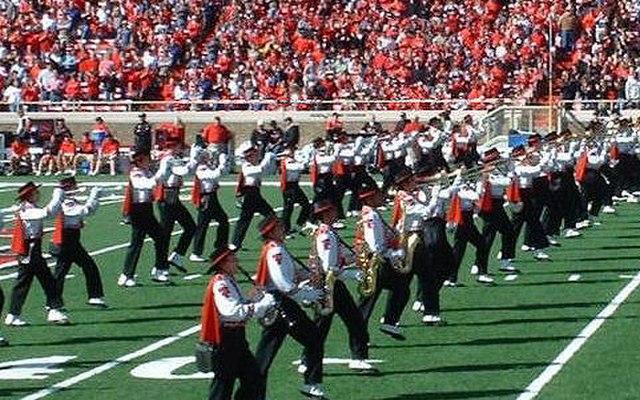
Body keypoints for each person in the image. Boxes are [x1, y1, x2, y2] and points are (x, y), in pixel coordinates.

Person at [253, 216, 326, 399]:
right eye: (280, 227)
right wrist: (306, 294)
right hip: (280, 304)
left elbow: (290, 274)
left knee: (265, 355)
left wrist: (308, 274)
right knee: (314, 339)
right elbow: (283, 284)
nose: (284, 229)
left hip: (281, 303)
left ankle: (251, 393)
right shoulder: (275, 251)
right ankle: (310, 383)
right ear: (271, 231)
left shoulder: (279, 248)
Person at [299, 200, 373, 372]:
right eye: (331, 211)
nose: (335, 212)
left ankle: (307, 359)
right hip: (329, 285)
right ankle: (357, 358)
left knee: (329, 325)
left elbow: (337, 259)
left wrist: (356, 257)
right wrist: (351, 274)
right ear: (324, 214)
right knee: (348, 321)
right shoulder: (326, 236)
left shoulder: (329, 233)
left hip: (330, 285)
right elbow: (329, 268)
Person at [200, 247, 275, 400]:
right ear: (223, 264)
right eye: (233, 260)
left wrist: (254, 298)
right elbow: (232, 312)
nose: (237, 262)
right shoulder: (221, 284)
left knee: (253, 378)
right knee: (223, 385)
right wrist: (260, 306)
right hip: (225, 340)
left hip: (237, 338)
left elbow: (240, 305)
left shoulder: (229, 281)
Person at [6, 181, 69, 326]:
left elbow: (50, 213)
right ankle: (53, 310)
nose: (38, 194)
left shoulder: (30, 208)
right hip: (30, 249)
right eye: (36, 192)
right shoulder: (27, 210)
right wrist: (58, 194)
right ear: (30, 195)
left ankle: (14, 314)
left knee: (28, 282)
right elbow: (48, 213)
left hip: (33, 248)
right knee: (43, 281)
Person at [356, 188, 410, 340]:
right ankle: (362, 335)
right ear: (370, 198)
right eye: (378, 194)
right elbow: (375, 246)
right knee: (368, 302)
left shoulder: (372, 213)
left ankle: (389, 322)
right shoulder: (371, 216)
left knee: (400, 289)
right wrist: (393, 253)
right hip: (377, 263)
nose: (382, 196)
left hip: (379, 263)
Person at [119, 149, 172, 287]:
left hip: (147, 209)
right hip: (138, 210)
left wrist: (167, 167)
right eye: (147, 159)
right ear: (140, 161)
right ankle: (127, 274)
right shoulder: (135, 173)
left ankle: (158, 269)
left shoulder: (147, 172)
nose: (149, 161)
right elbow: (147, 184)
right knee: (137, 242)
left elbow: (159, 180)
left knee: (159, 238)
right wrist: (163, 167)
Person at [51, 177, 106, 307]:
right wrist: (94, 196)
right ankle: (94, 296)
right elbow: (86, 211)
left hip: (71, 238)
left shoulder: (69, 200)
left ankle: (53, 300)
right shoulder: (67, 202)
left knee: (61, 272)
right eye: (74, 187)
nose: (76, 189)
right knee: (88, 266)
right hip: (68, 239)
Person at [156, 140, 197, 272]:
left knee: (190, 227)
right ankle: (160, 266)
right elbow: (183, 171)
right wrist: (194, 158)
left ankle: (177, 256)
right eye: (179, 147)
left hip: (174, 197)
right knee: (165, 234)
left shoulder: (174, 158)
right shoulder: (168, 159)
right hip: (167, 198)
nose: (181, 149)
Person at [230, 145, 276, 250]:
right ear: (249, 157)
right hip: (249, 194)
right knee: (244, 220)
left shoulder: (254, 165)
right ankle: (235, 243)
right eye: (254, 156)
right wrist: (267, 158)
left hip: (256, 194)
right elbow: (260, 169)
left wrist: (271, 160)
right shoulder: (246, 166)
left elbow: (266, 172)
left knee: (271, 215)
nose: (256, 158)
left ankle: (268, 236)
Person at [190, 150, 229, 262]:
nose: (209, 157)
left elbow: (222, 174)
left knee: (223, 220)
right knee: (203, 225)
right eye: (207, 156)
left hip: (212, 196)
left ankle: (220, 245)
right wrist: (221, 164)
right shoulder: (200, 168)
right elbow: (214, 175)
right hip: (205, 198)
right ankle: (196, 252)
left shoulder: (209, 166)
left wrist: (223, 164)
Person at [279, 148, 312, 236]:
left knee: (306, 205)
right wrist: (299, 161)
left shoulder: (295, 160)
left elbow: (303, 166)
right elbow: (298, 167)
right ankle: (285, 230)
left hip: (295, 186)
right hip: (288, 187)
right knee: (288, 209)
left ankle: (298, 224)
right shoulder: (286, 162)